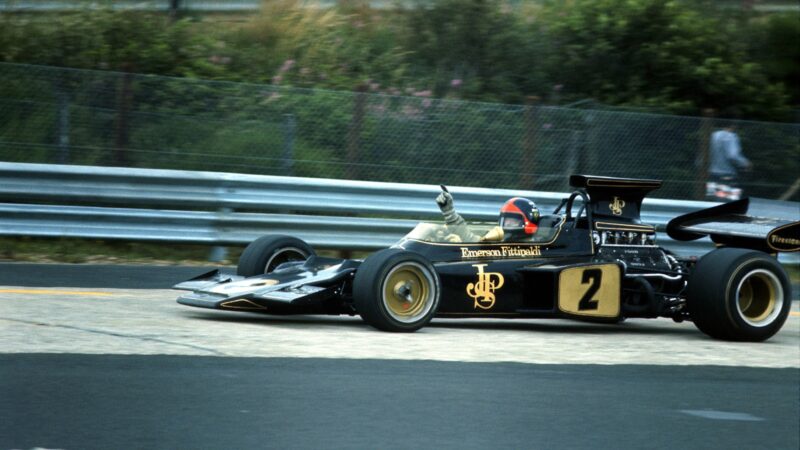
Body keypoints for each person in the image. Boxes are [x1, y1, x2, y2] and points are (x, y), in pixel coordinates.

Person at [435, 186, 541, 242]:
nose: (505, 226)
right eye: (505, 221)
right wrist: (449, 212)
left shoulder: (535, 251)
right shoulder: (498, 243)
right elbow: (471, 240)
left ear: (527, 222)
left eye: (512, 222)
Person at [707, 125, 752, 200]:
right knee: (727, 200)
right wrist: (746, 164)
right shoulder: (731, 136)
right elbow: (733, 155)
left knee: (712, 200)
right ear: (733, 126)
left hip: (712, 174)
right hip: (727, 175)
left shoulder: (713, 135)